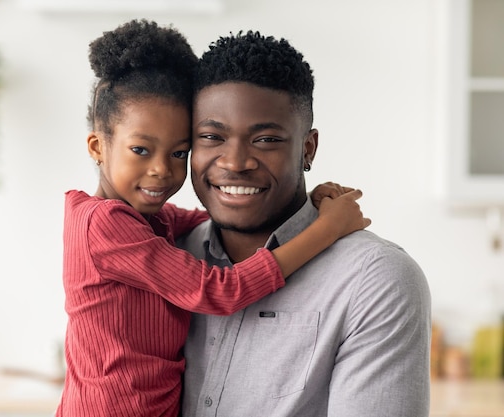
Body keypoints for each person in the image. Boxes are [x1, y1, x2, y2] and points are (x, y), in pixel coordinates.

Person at [56, 20, 370, 417]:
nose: (161, 171)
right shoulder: (103, 225)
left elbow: (227, 210)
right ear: (97, 146)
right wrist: (327, 228)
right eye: (140, 150)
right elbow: (219, 291)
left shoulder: (152, 221)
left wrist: (311, 203)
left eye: (178, 153)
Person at [179, 31, 431, 417]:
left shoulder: (375, 280)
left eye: (265, 139)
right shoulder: (170, 254)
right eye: (212, 136)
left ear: (307, 149)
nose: (235, 162)